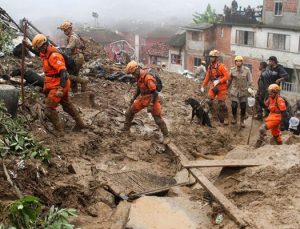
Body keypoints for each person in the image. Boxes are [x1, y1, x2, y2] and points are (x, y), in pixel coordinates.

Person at [23, 34, 86, 136]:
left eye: (41, 47)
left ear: (45, 44)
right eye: (39, 48)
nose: (40, 49)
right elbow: (39, 53)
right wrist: (28, 46)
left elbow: (64, 73)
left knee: (49, 108)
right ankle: (80, 123)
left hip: (59, 85)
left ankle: (60, 131)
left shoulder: (54, 56)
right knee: (66, 105)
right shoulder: (45, 52)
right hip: (57, 84)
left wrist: (60, 89)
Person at [122, 61, 170, 144]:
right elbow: (139, 87)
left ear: (137, 69)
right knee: (129, 112)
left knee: (158, 119)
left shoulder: (148, 78)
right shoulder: (138, 76)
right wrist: (133, 98)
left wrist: (151, 104)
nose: (132, 75)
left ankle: (166, 136)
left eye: (133, 73)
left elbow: (154, 92)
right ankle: (126, 130)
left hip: (152, 98)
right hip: (143, 97)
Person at [201, 50, 230, 125]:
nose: (211, 58)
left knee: (222, 104)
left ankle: (226, 118)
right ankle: (214, 116)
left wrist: (219, 81)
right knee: (208, 100)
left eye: (212, 57)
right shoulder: (210, 67)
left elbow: (227, 76)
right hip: (213, 86)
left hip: (222, 87)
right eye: (210, 57)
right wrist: (203, 86)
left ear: (216, 58)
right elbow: (207, 77)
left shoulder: (221, 66)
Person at [59, 21, 88, 93]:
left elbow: (68, 49)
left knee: (69, 75)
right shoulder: (74, 35)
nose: (64, 31)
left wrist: (60, 53)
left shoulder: (72, 37)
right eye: (63, 30)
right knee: (74, 76)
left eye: (66, 30)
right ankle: (77, 94)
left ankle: (83, 81)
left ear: (70, 28)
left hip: (76, 58)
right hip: (78, 57)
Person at [228, 56, 254, 127]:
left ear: (242, 62)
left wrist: (251, 89)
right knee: (234, 105)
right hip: (234, 91)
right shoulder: (232, 70)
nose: (238, 62)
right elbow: (229, 81)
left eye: (240, 61)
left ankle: (242, 120)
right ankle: (234, 118)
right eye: (237, 61)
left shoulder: (247, 70)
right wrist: (225, 89)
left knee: (243, 107)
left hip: (243, 92)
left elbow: (250, 80)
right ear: (235, 62)